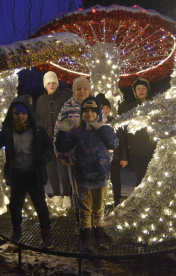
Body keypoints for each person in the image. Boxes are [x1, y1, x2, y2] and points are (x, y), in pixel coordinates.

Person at [0, 96, 54, 249]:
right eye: (16, 113)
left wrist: (45, 158)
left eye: (23, 113)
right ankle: (16, 231)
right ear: (12, 114)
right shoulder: (8, 131)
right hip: (17, 173)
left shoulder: (38, 129)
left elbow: (48, 147)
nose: (20, 116)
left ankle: (46, 234)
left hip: (34, 174)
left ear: (29, 113)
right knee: (15, 206)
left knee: (40, 206)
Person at [55, 97, 119, 253]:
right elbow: (62, 147)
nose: (89, 114)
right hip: (83, 178)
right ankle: (86, 242)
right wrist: (62, 132)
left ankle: (99, 240)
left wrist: (99, 127)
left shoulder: (104, 129)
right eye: (86, 111)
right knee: (85, 211)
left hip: (101, 176)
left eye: (92, 111)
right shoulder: (76, 130)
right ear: (82, 112)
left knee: (99, 210)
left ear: (97, 113)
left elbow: (114, 143)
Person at [54, 76, 95, 224]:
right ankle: (80, 220)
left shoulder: (95, 106)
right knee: (78, 190)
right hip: (74, 156)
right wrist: (60, 153)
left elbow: (105, 130)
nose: (82, 92)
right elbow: (58, 130)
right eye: (79, 89)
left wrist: (108, 154)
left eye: (85, 89)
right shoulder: (67, 107)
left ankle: (92, 220)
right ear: (74, 91)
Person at [36, 71, 71, 208]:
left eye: (53, 82)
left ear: (57, 83)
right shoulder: (40, 100)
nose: (51, 85)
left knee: (63, 168)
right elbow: (39, 120)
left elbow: (70, 116)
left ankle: (67, 196)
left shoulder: (65, 97)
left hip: (62, 140)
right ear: (45, 85)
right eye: (48, 83)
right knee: (51, 168)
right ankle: (57, 195)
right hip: (47, 141)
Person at [96, 93, 128, 207]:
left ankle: (117, 199)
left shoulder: (114, 121)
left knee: (115, 179)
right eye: (102, 108)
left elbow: (122, 141)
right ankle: (100, 201)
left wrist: (124, 157)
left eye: (107, 108)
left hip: (115, 157)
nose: (105, 110)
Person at [124, 78, 157, 186]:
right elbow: (124, 130)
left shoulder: (153, 106)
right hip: (136, 150)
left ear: (148, 90)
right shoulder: (130, 108)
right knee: (140, 178)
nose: (141, 91)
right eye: (138, 88)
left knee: (152, 178)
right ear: (135, 91)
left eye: (143, 88)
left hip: (152, 148)